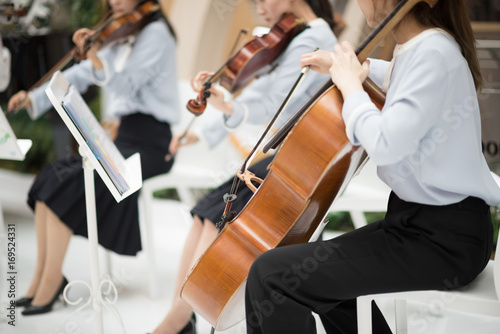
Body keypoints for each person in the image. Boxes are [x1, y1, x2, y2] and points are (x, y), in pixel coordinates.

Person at [244, 0, 500, 333]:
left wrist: (351, 86)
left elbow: (386, 144)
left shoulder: (434, 52)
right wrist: (348, 67)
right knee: (312, 276)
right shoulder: (421, 48)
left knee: (273, 277)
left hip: (443, 241)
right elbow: (400, 79)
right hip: (419, 226)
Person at [149, 1, 338, 333]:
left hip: (296, 165)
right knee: (204, 214)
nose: (259, 7)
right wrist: (223, 102)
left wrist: (226, 103)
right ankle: (179, 320)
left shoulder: (312, 38)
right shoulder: (300, 35)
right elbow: (264, 92)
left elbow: (271, 104)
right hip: (286, 159)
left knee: (212, 218)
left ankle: (177, 323)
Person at [7, 0, 179, 316]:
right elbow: (84, 72)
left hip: (152, 144)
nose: (113, 2)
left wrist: (97, 57)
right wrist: (32, 97)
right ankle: (46, 279)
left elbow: (126, 84)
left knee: (70, 183)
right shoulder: (123, 31)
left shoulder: (156, 34)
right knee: (53, 175)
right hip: (124, 137)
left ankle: (49, 285)